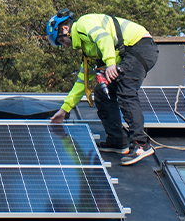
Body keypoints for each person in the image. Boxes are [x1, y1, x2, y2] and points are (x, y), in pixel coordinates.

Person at [46, 10, 159, 165]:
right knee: (101, 92)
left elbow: (104, 37)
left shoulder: (83, 24)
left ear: (65, 29)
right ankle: (117, 141)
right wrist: (64, 110)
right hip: (129, 54)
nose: (64, 46)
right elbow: (81, 83)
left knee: (126, 90)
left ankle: (140, 144)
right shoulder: (88, 50)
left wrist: (111, 63)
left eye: (61, 41)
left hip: (140, 47)